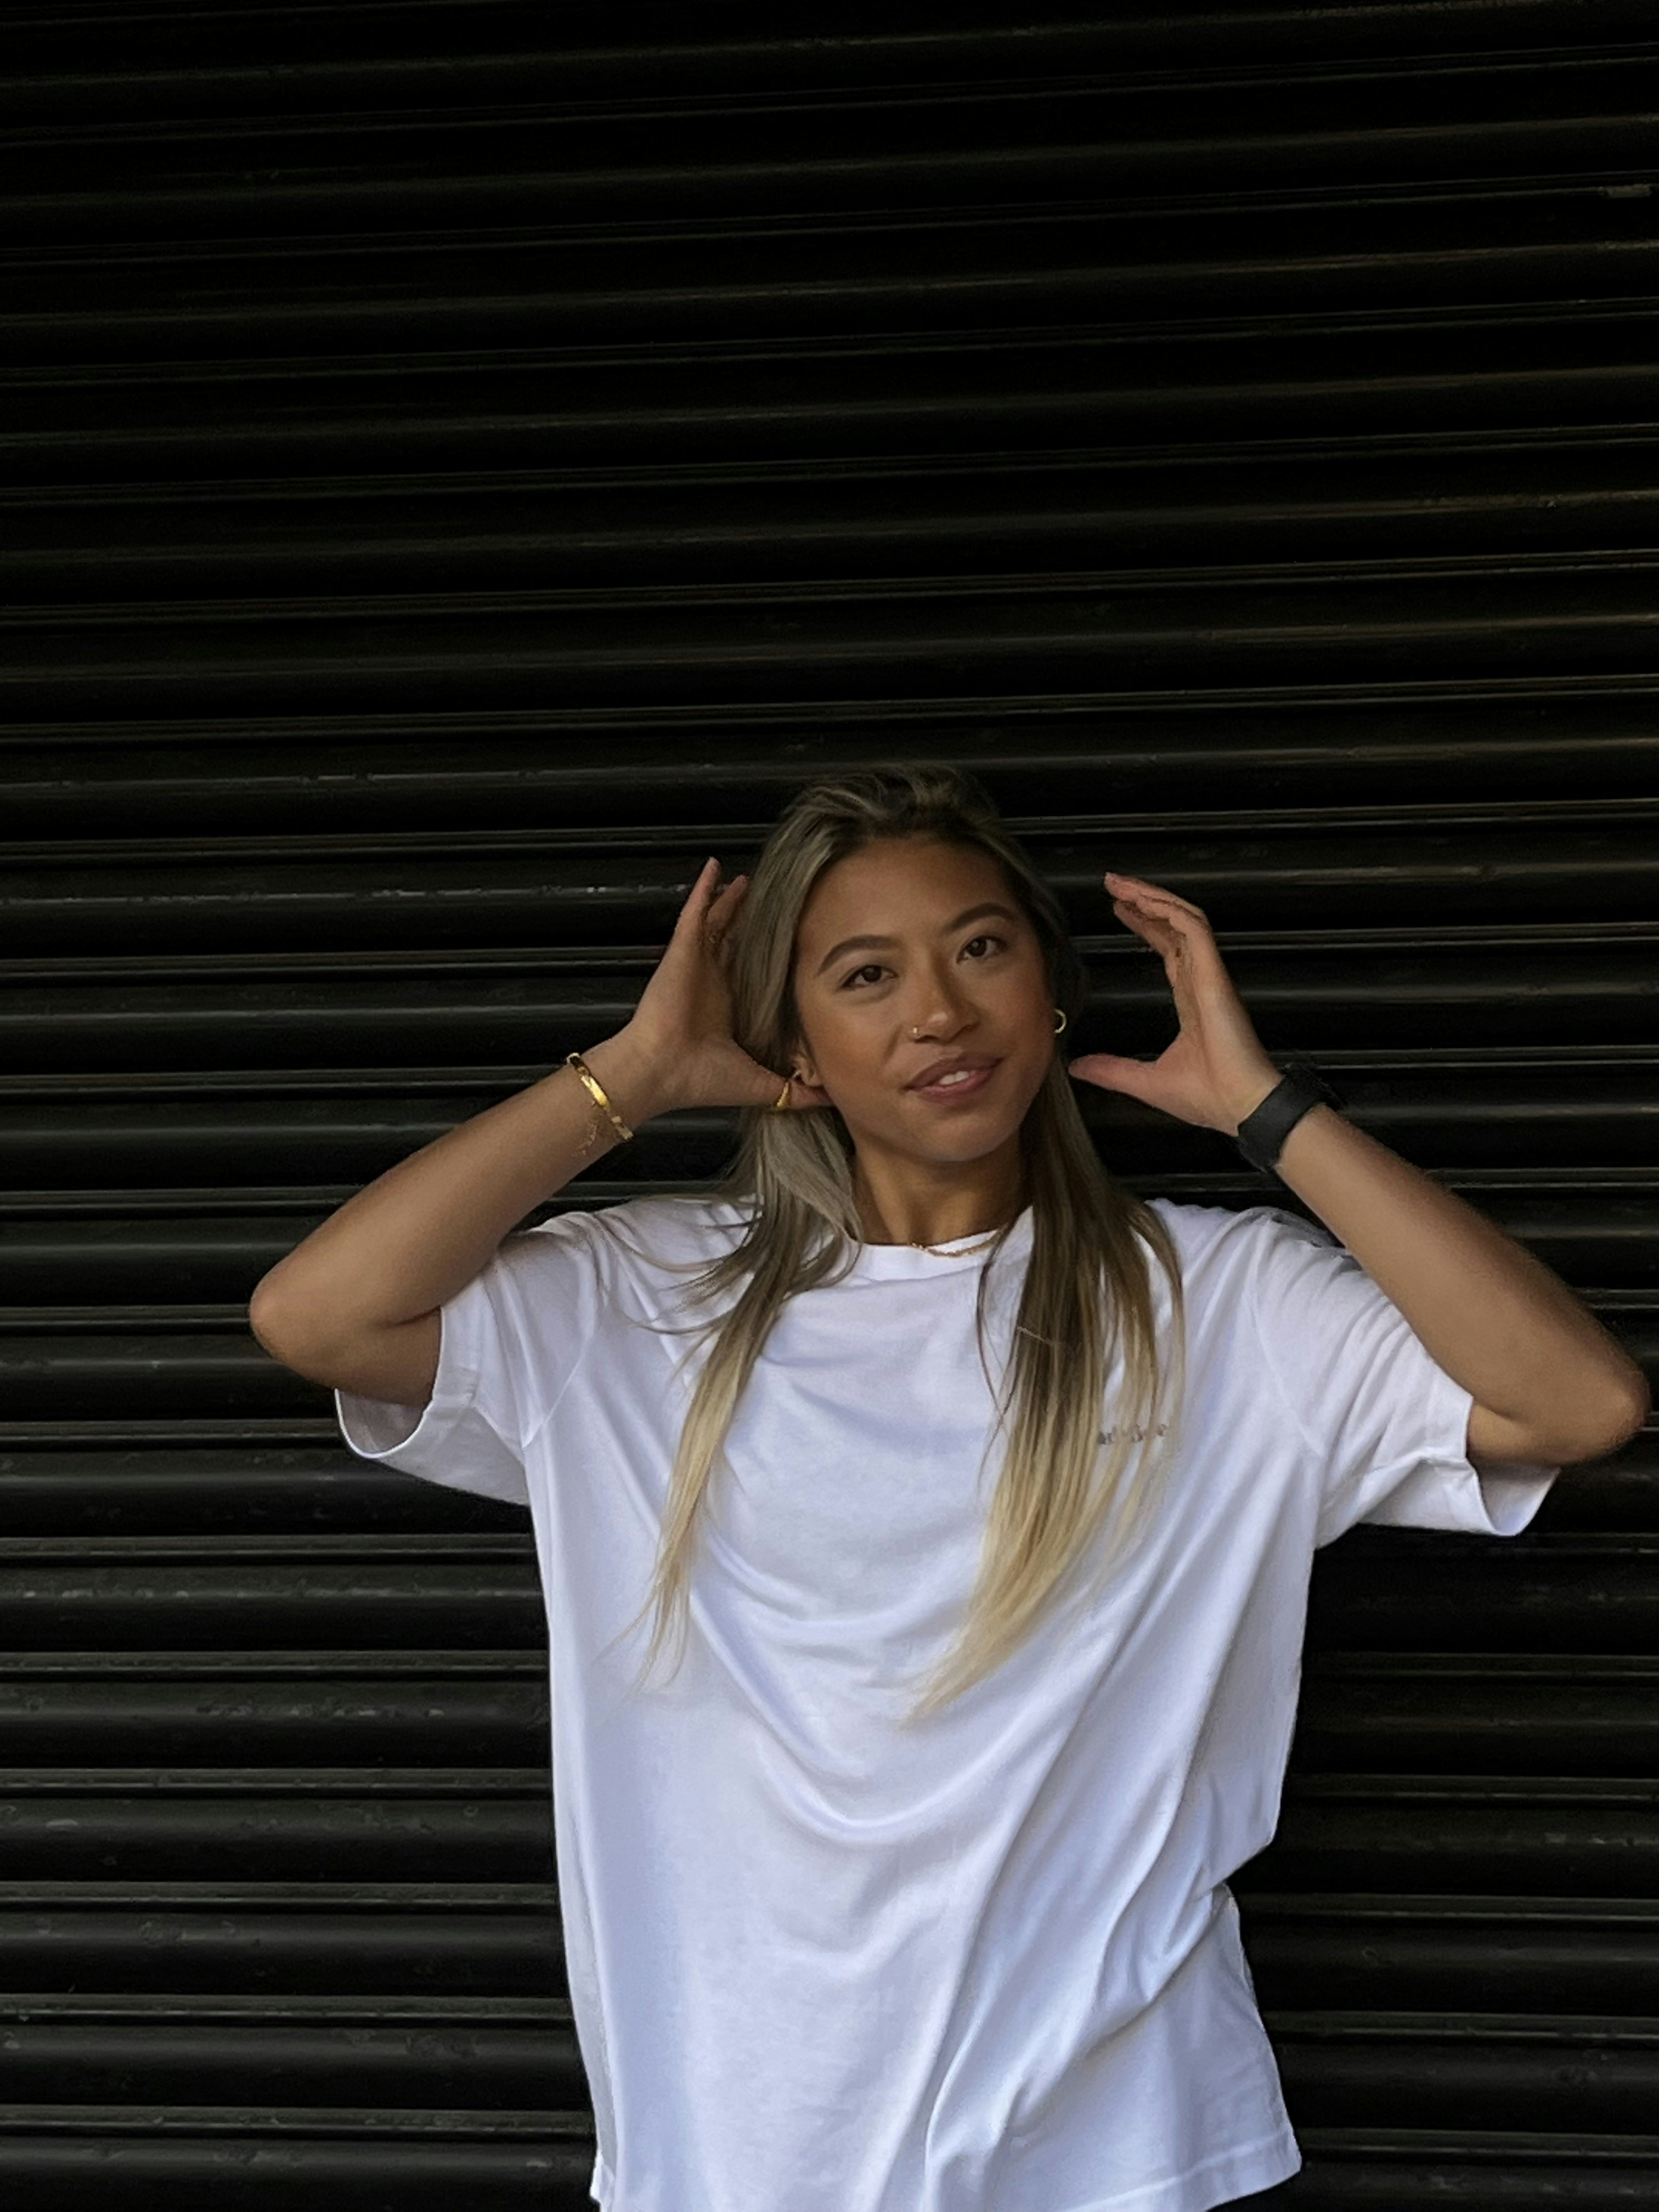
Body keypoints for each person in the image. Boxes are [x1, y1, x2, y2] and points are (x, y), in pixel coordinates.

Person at [250, 763, 1647, 2212]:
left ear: (1050, 988)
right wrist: (633, 1079)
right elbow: (321, 1318)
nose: (938, 1011)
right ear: (790, 1034)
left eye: (982, 948)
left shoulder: (1224, 1306)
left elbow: (1580, 1401)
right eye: (866, 975)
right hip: (739, 2154)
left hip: (1125, 2160)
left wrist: (1267, 1111)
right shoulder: (644, 1301)